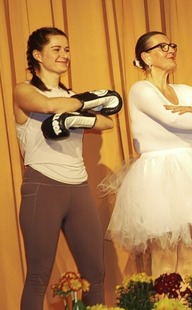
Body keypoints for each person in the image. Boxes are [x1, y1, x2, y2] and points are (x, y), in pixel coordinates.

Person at [103, 31, 192, 278]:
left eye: (171, 44)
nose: (170, 49)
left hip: (189, 171)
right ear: (146, 57)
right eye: (162, 46)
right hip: (158, 174)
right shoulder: (141, 90)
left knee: (188, 258)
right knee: (165, 257)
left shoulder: (184, 91)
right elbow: (170, 118)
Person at [13, 27, 123, 309]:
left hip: (79, 188)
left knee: (96, 275)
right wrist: (85, 105)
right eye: (56, 49)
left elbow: (107, 122)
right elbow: (48, 106)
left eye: (67, 49)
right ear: (37, 55)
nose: (64, 55)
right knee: (38, 276)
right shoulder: (24, 90)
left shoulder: (72, 95)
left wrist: (76, 116)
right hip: (42, 185)